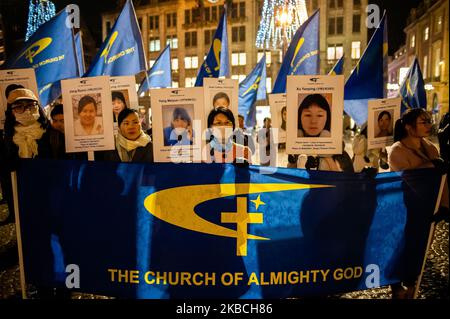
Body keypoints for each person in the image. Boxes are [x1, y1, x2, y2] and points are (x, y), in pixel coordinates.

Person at [388, 108, 448, 298]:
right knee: (405, 253)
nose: (429, 125)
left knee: (421, 256)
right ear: (408, 127)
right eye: (424, 122)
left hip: (430, 213)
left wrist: (445, 206)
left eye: (429, 121)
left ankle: (412, 286)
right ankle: (399, 289)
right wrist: (432, 165)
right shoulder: (397, 151)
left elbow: (443, 182)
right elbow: (410, 178)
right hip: (406, 213)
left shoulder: (431, 148)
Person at [0, 88, 48, 225]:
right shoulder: (8, 135)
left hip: (45, 185)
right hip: (20, 188)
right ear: (11, 111)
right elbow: (4, 165)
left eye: (30, 105)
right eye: (19, 107)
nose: (26, 110)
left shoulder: (48, 131)